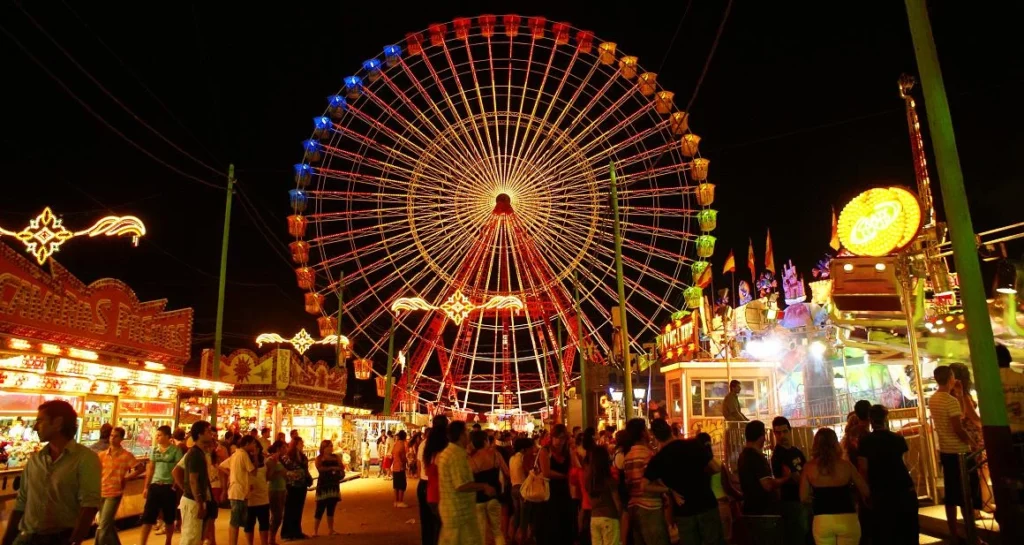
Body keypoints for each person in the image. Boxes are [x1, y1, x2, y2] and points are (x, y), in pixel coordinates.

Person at [1, 400, 101, 545]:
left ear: (58, 422)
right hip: (27, 537)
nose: (35, 427)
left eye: (40, 421)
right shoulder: (36, 459)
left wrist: (74, 541)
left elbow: (89, 505)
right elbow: (22, 502)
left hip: (59, 538)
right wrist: (8, 539)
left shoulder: (85, 459)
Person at [643, 419, 721, 545]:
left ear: (655, 437)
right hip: (706, 503)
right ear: (670, 430)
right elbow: (716, 468)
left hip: (684, 511)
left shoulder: (659, 459)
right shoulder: (693, 445)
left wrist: (669, 489)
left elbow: (644, 485)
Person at [929, 365, 981, 539]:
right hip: (959, 451)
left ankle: (953, 532)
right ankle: (970, 532)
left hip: (945, 450)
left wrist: (958, 395)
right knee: (967, 494)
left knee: (951, 494)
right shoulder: (949, 401)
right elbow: (959, 426)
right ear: (951, 377)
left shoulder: (934, 399)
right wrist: (972, 442)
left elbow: (961, 415)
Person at [857, 405, 918, 544]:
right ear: (886, 418)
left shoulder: (866, 442)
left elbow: (863, 469)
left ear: (870, 420)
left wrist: (865, 493)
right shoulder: (897, 439)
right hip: (902, 486)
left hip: (880, 489)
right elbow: (903, 463)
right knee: (906, 531)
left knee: (885, 532)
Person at [800, 428, 869, 545]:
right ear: (835, 443)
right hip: (847, 518)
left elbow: (803, 497)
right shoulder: (846, 466)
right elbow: (865, 491)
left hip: (822, 519)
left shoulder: (809, 467)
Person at [437, 421, 495, 545]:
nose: (469, 435)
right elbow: (461, 485)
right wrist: (484, 486)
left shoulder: (449, 452)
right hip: (459, 513)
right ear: (461, 435)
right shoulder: (456, 455)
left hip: (453, 510)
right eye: (467, 432)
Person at [620, 419, 667, 545]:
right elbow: (655, 480)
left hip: (633, 507)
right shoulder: (647, 455)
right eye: (646, 429)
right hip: (650, 505)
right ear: (642, 433)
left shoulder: (628, 456)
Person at [736, 420, 783, 544]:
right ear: (762, 437)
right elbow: (767, 485)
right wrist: (785, 479)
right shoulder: (755, 457)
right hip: (763, 512)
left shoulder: (743, 456)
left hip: (751, 509)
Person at [96, 426, 142, 545]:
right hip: (101, 491)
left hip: (114, 492)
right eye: (111, 435)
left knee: (103, 524)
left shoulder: (126, 455)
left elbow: (140, 468)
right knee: (107, 524)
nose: (112, 438)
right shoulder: (102, 455)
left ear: (121, 439)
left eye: (116, 436)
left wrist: (126, 478)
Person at [140, 425, 184, 545]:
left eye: (159, 435)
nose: (157, 437)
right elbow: (151, 468)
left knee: (169, 517)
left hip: (168, 486)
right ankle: (142, 543)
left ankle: (168, 541)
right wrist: (146, 487)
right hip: (155, 485)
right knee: (148, 517)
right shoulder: (154, 450)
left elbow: (178, 468)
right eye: (157, 435)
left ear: (167, 436)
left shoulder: (175, 450)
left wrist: (175, 485)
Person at [178, 421, 218, 545]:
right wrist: (199, 502)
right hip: (192, 501)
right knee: (191, 537)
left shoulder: (200, 453)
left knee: (195, 537)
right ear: (200, 435)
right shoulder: (195, 454)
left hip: (194, 499)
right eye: (208, 431)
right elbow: (193, 480)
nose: (211, 434)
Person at [770, 416, 808, 545]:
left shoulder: (796, 451)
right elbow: (796, 476)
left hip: (801, 500)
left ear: (790, 431)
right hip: (790, 501)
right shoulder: (778, 455)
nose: (782, 436)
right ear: (774, 434)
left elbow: (805, 472)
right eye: (778, 432)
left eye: (784, 431)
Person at [539, 424, 578, 545]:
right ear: (551, 437)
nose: (559, 441)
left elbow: (575, 468)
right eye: (556, 437)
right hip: (550, 492)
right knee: (552, 524)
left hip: (566, 492)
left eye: (562, 438)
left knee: (566, 523)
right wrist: (564, 476)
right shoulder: (545, 451)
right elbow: (546, 472)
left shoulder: (568, 451)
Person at [469, 430, 510, 545]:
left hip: (477, 499)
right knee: (497, 531)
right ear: (485, 441)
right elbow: (507, 472)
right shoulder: (495, 454)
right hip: (494, 496)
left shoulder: (470, 459)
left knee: (480, 533)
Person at [220, 436, 256, 545]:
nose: (254, 446)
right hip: (239, 492)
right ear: (247, 444)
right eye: (253, 444)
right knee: (235, 522)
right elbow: (253, 471)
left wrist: (232, 474)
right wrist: (255, 457)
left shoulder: (235, 454)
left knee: (236, 521)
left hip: (236, 491)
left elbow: (221, 466)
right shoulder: (243, 455)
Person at [421, 416, 449, 545]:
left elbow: (425, 471)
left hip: (430, 490)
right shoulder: (445, 451)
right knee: (443, 528)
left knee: (432, 526)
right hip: (441, 493)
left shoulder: (427, 447)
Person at [586, 446, 622, 545]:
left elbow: (591, 502)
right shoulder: (609, 481)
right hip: (609, 517)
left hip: (594, 518)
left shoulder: (589, 482)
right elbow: (617, 502)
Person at [279, 436, 310, 540]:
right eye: (301, 443)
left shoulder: (302, 456)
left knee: (298, 509)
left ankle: (297, 531)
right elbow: (284, 469)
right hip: (292, 485)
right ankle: (287, 533)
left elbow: (305, 468)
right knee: (290, 509)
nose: (303, 445)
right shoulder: (288, 457)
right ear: (296, 444)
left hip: (302, 484)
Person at [313, 440, 343, 536]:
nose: (330, 448)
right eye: (328, 446)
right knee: (320, 508)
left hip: (333, 484)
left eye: (331, 446)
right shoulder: (319, 458)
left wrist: (337, 470)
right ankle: (315, 531)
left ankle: (331, 529)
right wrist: (332, 468)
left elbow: (341, 467)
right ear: (323, 448)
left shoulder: (336, 457)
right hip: (323, 485)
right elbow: (320, 469)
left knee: (331, 508)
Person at [245, 441, 271, 545]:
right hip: (250, 497)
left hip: (263, 496)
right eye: (252, 448)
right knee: (249, 524)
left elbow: (267, 477)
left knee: (264, 523)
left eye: (256, 448)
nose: (254, 450)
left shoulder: (264, 460)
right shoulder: (245, 459)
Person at [265, 440, 288, 545]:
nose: (286, 450)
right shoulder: (270, 460)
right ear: (278, 449)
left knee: (278, 515)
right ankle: (270, 539)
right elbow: (268, 477)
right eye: (284, 448)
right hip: (274, 490)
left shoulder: (281, 460)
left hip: (282, 489)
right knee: (276, 515)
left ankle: (272, 538)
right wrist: (280, 471)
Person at [392, 430, 410, 508]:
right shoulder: (402, 444)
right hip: (400, 467)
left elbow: (393, 453)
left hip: (395, 466)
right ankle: (400, 501)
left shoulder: (395, 444)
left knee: (396, 485)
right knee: (402, 485)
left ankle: (396, 501)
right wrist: (405, 461)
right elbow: (402, 456)